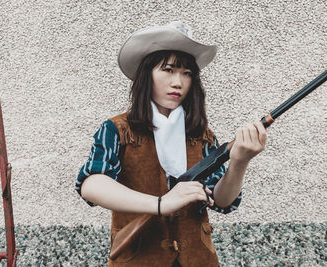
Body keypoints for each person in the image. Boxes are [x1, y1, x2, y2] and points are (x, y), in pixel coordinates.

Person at [75, 21, 267, 267]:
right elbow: (91, 184)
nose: (178, 82)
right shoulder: (117, 129)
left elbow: (222, 200)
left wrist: (240, 162)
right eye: (168, 70)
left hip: (199, 259)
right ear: (147, 75)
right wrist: (160, 204)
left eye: (187, 73)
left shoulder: (202, 135)